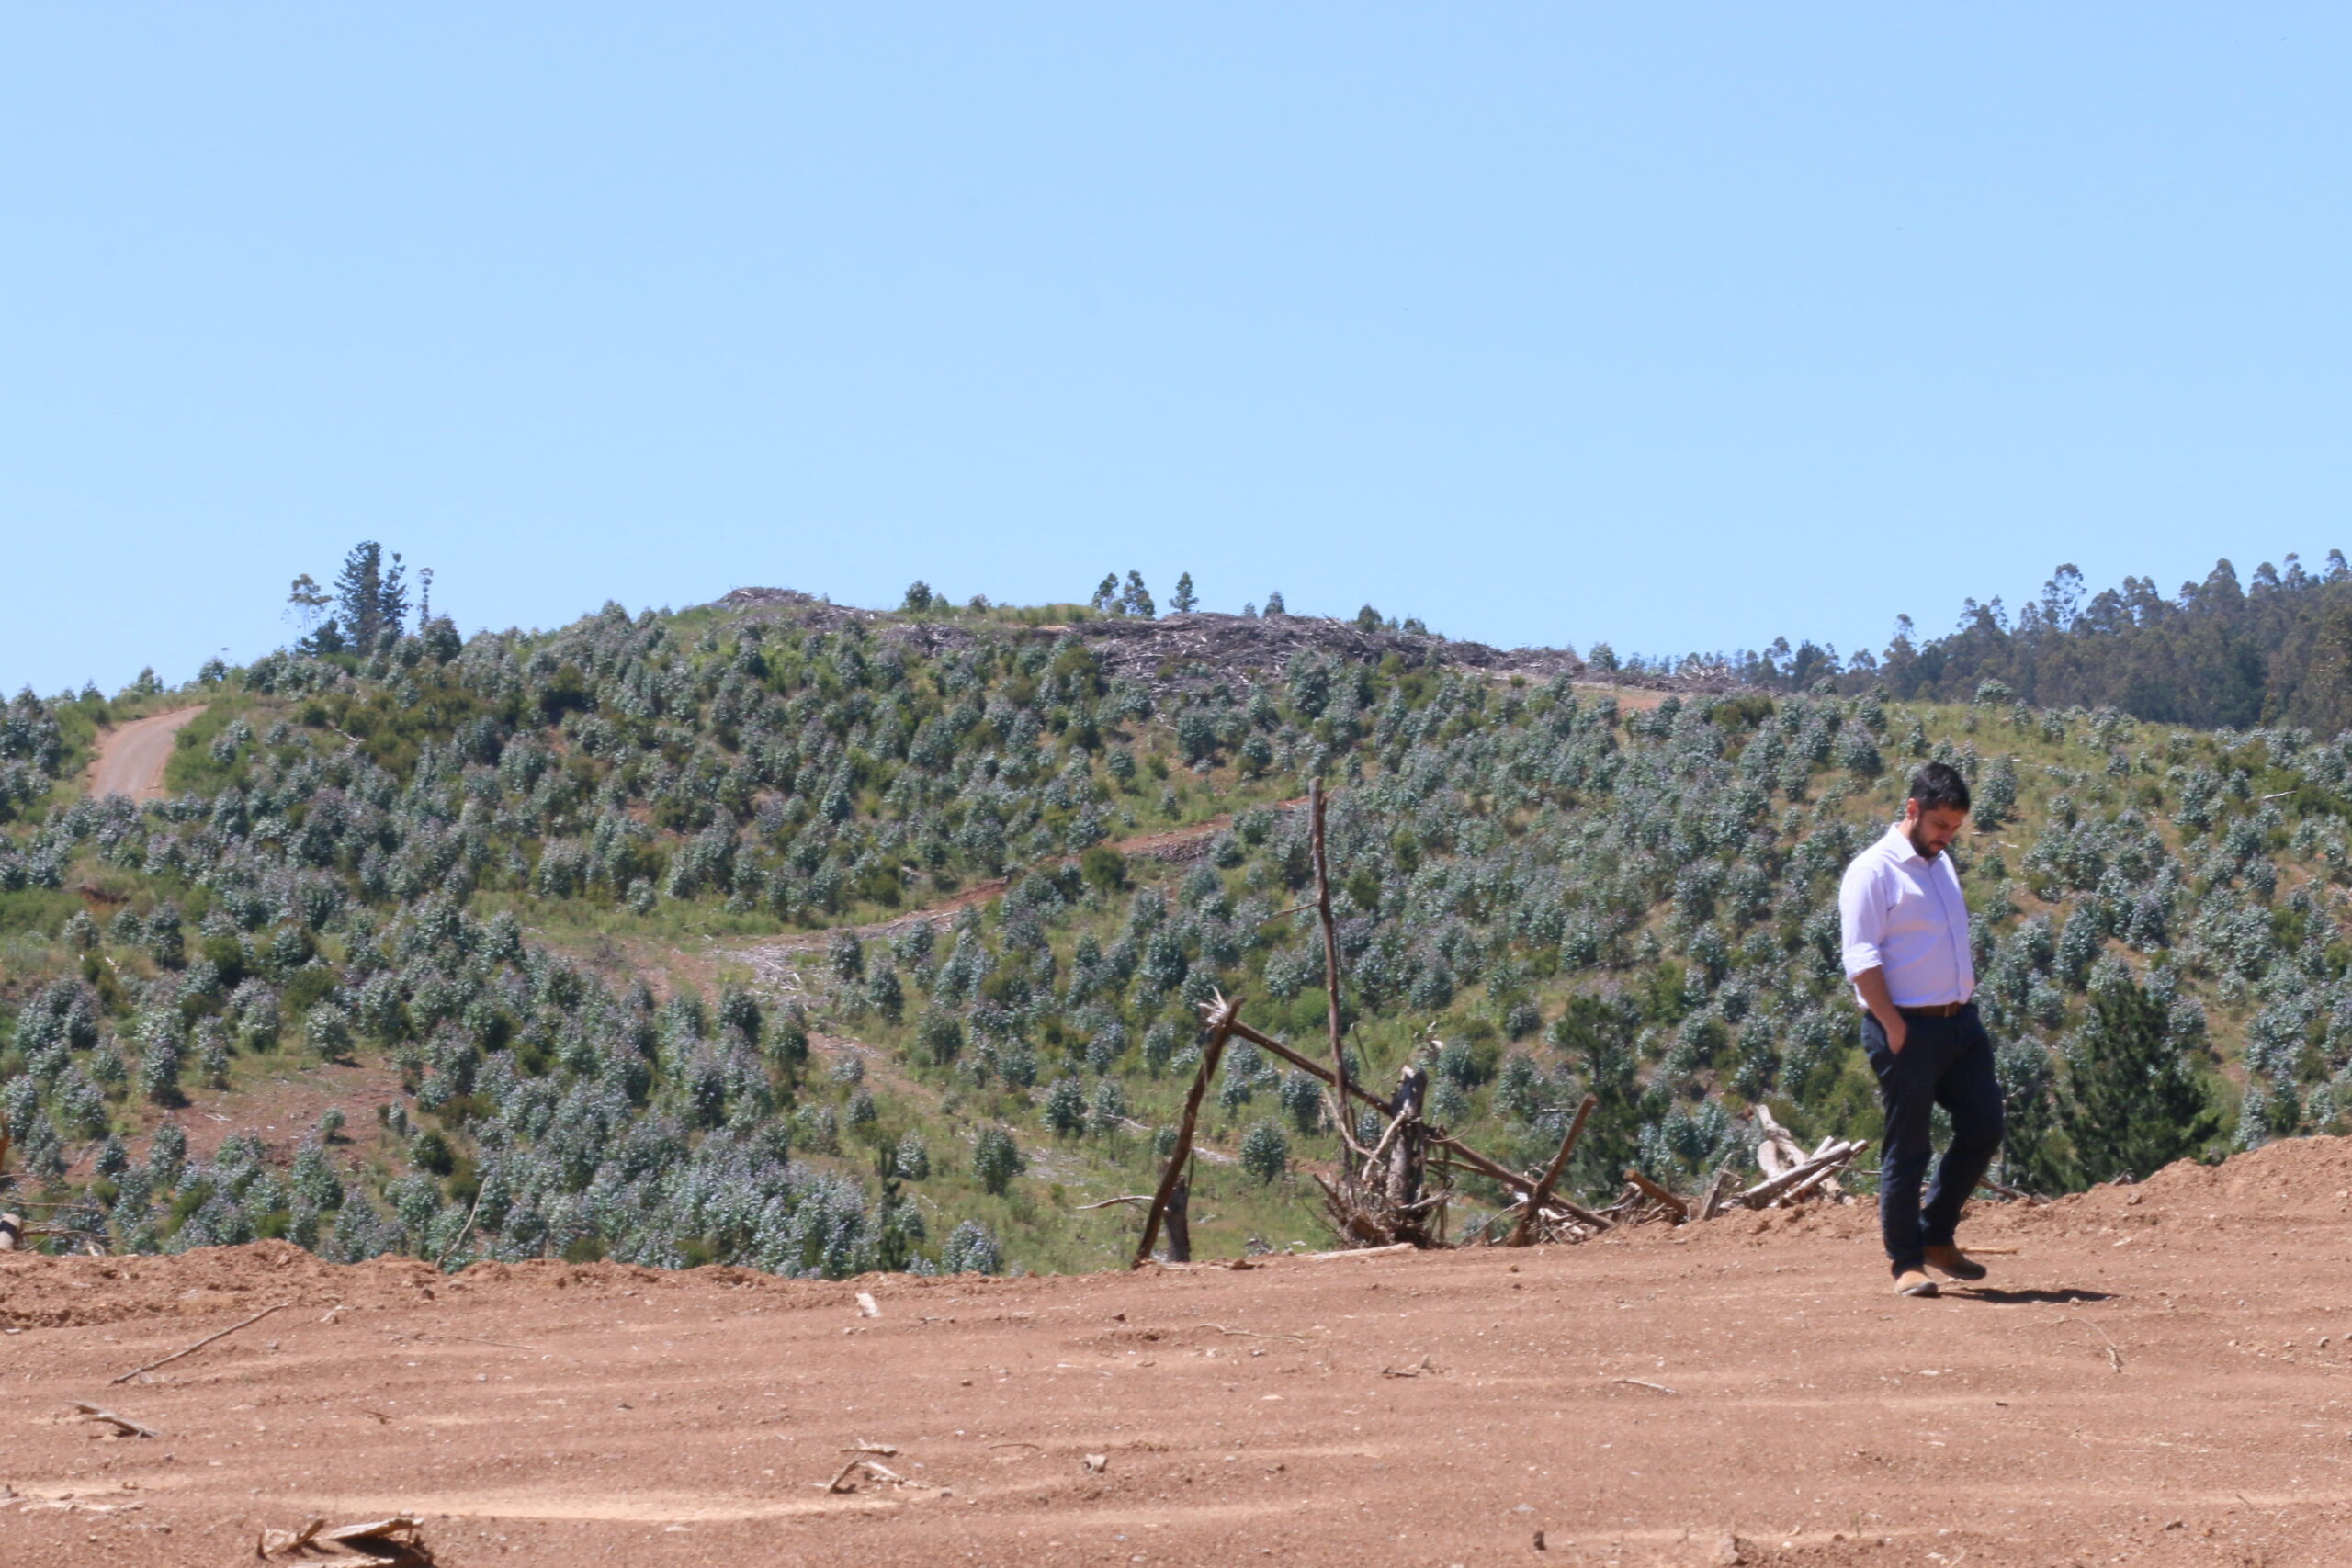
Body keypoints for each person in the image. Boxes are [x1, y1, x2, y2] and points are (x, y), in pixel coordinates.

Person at [1838, 761, 2004, 1298]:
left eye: (1955, 828)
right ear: (1912, 809)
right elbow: (1860, 959)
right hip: (1904, 1028)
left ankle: (1937, 1235)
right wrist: (1892, 1024)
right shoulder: (1873, 870)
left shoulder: (1939, 863)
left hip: (1960, 1025)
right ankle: (1906, 1263)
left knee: (1984, 1128)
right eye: (1939, 826)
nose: (1946, 837)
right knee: (1907, 1148)